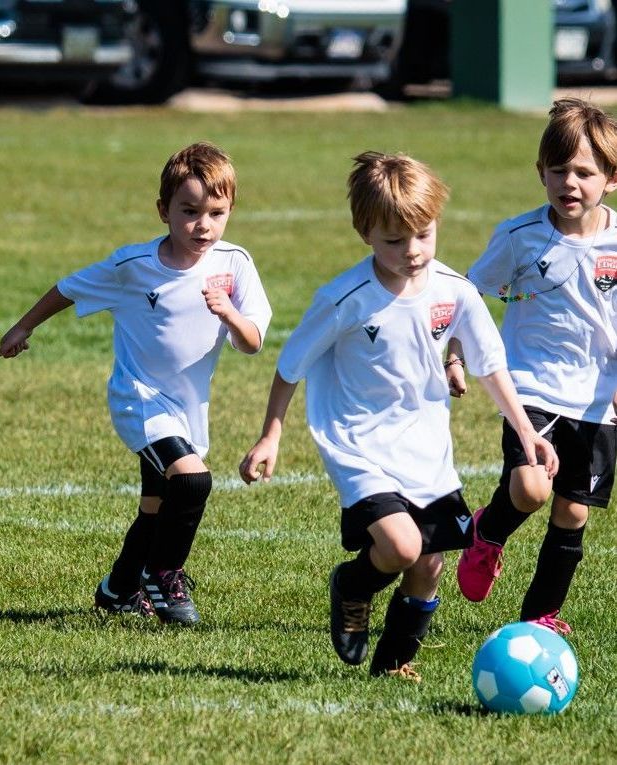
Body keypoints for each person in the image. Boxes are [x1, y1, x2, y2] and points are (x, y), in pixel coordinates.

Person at [239, 152, 558, 679]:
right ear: (364, 232)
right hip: (356, 441)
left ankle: (392, 665)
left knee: (429, 565)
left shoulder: (453, 290)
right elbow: (291, 364)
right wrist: (271, 435)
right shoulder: (345, 297)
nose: (412, 252)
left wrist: (527, 432)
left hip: (425, 446)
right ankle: (354, 585)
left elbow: (490, 364)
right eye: (394, 240)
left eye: (424, 235)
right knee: (402, 545)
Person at [0, 142, 272, 625]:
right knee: (192, 479)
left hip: (189, 406)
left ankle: (118, 588)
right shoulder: (133, 266)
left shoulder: (235, 265)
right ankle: (165, 574)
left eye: (216, 212)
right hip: (139, 399)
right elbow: (70, 286)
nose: (203, 225)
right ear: (163, 210)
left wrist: (229, 313)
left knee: (156, 505)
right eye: (189, 211)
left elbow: (252, 342)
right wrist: (24, 326)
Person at [451, 97, 617, 635]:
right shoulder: (520, 238)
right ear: (540, 173)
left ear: (610, 180)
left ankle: (538, 617)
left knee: (573, 513)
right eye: (558, 171)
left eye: (585, 173)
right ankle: (488, 532)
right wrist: (454, 354)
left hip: (597, 398)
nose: (570, 183)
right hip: (531, 388)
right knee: (531, 489)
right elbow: (470, 300)